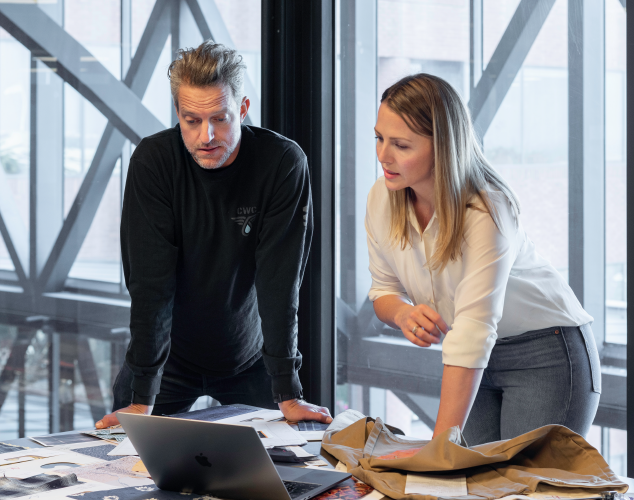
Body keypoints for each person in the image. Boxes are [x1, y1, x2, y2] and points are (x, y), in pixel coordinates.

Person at [95, 40, 331, 428]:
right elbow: (151, 285)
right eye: (191, 120)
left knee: (280, 475)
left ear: (242, 108)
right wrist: (141, 396)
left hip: (250, 359)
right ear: (177, 113)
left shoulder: (282, 163)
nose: (206, 136)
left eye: (220, 118)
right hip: (165, 363)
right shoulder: (154, 162)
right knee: (129, 469)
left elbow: (280, 283)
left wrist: (288, 390)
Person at [367, 73, 601, 444]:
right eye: (379, 138)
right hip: (472, 357)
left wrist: (438, 451)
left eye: (401, 145)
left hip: (544, 354)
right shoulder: (382, 197)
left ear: (442, 146)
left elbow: (474, 329)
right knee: (472, 485)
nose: (383, 155)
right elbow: (382, 291)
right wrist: (402, 313)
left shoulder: (487, 209)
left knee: (524, 491)